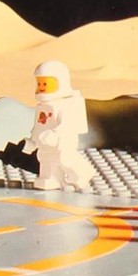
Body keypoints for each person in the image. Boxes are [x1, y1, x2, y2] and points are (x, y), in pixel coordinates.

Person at [28, 60, 95, 193]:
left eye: (45, 84)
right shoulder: (42, 106)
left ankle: (82, 174)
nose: (41, 87)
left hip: (62, 142)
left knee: (65, 159)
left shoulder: (66, 105)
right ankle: (51, 179)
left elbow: (67, 125)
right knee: (45, 159)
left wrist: (55, 135)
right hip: (45, 143)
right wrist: (32, 141)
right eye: (39, 83)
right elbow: (39, 126)